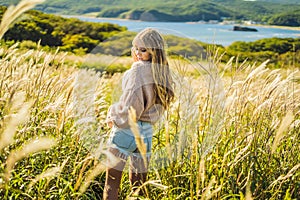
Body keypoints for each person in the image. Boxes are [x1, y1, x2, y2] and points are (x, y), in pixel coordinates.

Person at [103, 28, 175, 199]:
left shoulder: (137, 69)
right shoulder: (163, 73)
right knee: (139, 186)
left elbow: (129, 107)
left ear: (153, 51)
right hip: (146, 134)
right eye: (136, 48)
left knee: (111, 184)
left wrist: (113, 116)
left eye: (143, 49)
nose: (138, 52)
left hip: (127, 131)